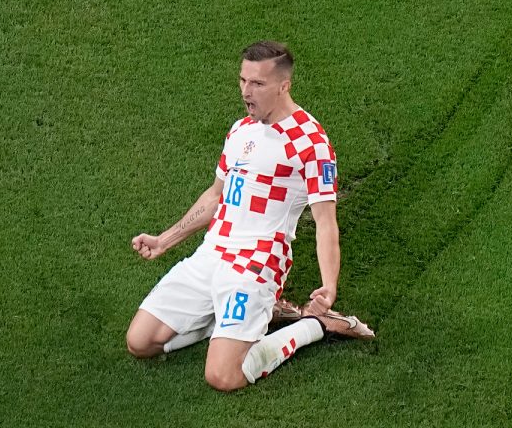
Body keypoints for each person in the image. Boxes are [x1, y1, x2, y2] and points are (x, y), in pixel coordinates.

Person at [127, 41, 374, 392]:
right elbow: (216, 196)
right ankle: (252, 315)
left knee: (223, 376)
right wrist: (164, 240)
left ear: (284, 85)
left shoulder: (310, 142)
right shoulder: (241, 129)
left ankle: (315, 325)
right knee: (141, 342)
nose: (246, 91)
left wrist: (329, 286)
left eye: (257, 84)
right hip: (211, 256)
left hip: (255, 264)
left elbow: (325, 221)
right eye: (243, 81)